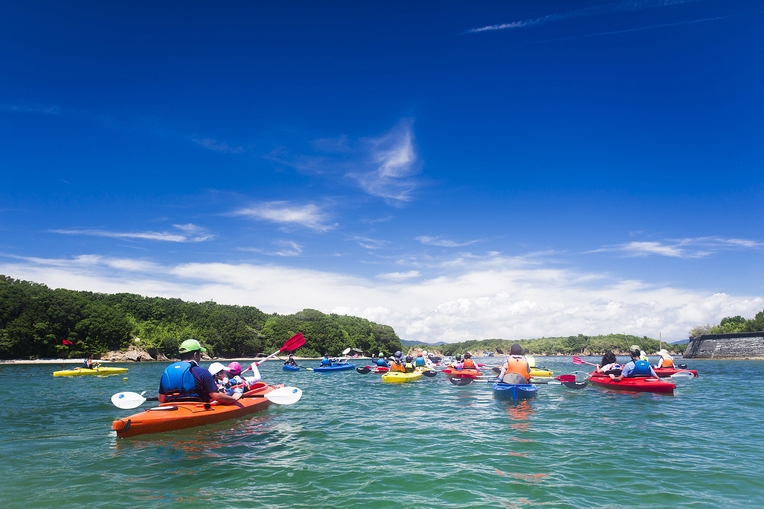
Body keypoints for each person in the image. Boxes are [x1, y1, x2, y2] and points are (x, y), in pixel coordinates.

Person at [159, 339, 241, 404]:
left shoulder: (167, 372)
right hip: (198, 407)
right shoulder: (203, 372)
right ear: (195, 355)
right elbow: (216, 396)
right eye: (200, 354)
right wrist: (233, 398)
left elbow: (162, 399)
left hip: (172, 407)